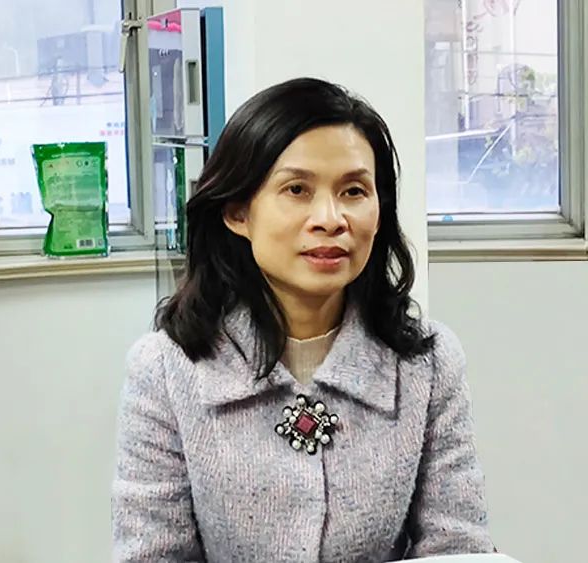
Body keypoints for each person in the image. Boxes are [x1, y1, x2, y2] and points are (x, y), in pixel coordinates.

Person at [112, 77, 495, 562]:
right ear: (238, 212)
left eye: (354, 191)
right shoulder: (167, 370)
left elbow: (458, 550)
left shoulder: (429, 365)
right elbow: (151, 555)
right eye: (297, 189)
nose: (331, 219)